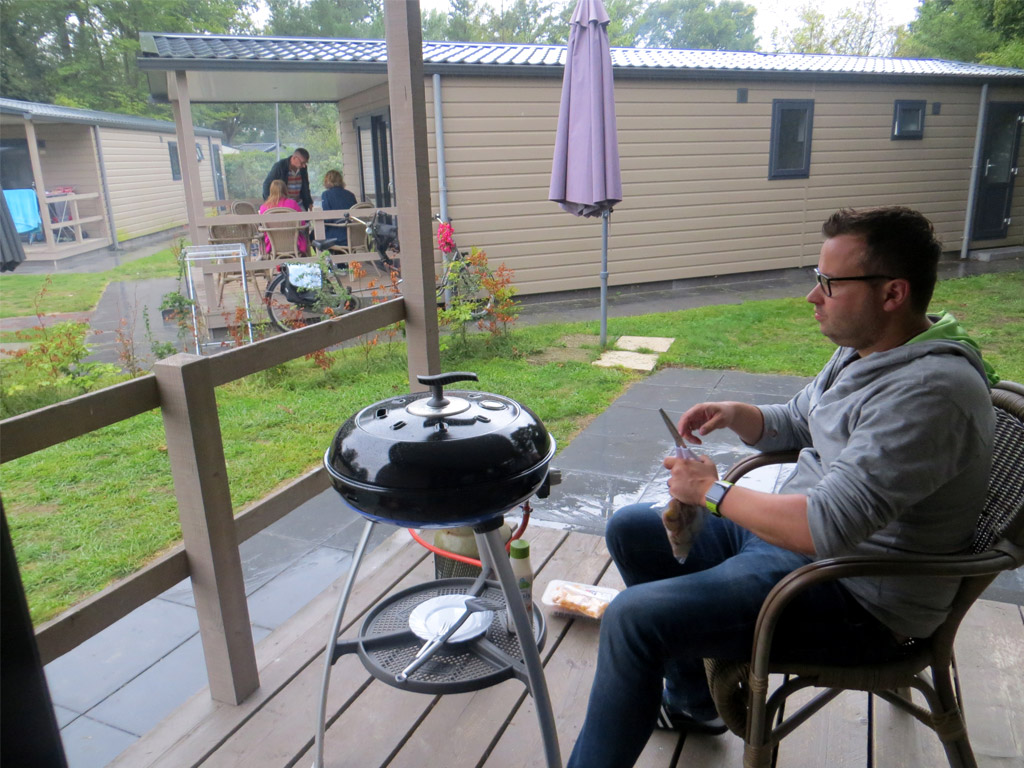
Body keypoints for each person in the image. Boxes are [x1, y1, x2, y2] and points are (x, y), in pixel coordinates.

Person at [566, 206, 998, 768]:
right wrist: (737, 412)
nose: (812, 296)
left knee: (633, 618)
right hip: (794, 550)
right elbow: (801, 419)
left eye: (830, 283)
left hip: (857, 595)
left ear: (892, 294)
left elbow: (827, 528)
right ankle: (693, 703)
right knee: (631, 529)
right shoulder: (867, 349)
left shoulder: (929, 393)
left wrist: (712, 493)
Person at [259, 179, 308, 256]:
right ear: (285, 189)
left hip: (272, 244)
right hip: (293, 242)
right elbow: (302, 223)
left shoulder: (264, 207)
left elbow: (262, 225)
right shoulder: (293, 204)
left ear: (271, 191)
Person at [321, 169, 358, 247]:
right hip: (354, 235)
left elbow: (327, 218)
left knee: (313, 236)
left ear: (327, 181)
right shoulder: (350, 195)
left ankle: (328, 258)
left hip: (337, 236)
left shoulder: (326, 195)